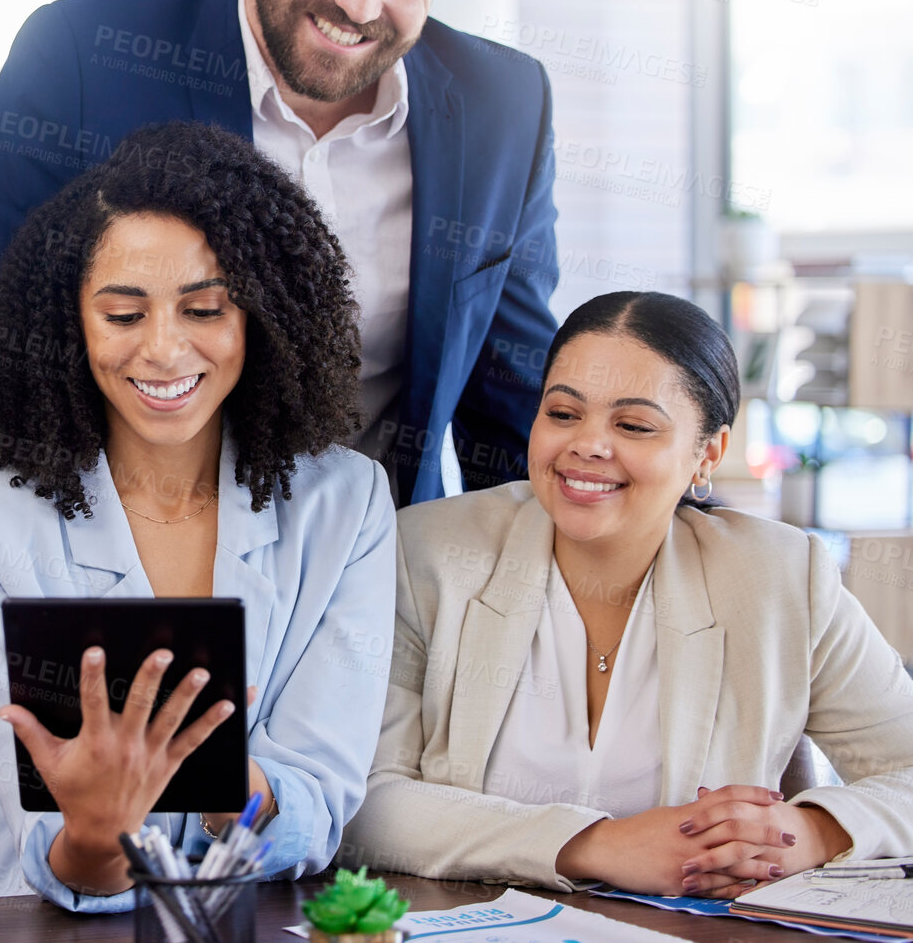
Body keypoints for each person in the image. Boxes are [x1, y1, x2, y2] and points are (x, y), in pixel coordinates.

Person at [0, 0, 558, 506]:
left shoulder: (503, 107)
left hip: (380, 574)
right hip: (118, 564)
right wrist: (54, 585)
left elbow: (516, 404)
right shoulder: (81, 58)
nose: (359, 2)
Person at [0, 122, 396, 910]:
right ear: (69, 322)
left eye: (204, 308)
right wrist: (101, 826)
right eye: (124, 315)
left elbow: (319, 800)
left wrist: (210, 785)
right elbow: (57, 850)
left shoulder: (348, 504)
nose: (165, 351)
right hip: (26, 923)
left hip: (247, 918)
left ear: (263, 315)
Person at [343, 291, 913, 896]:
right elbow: (363, 800)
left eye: (633, 425)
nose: (587, 444)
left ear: (708, 454)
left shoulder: (782, 577)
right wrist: (597, 844)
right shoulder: (427, 552)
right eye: (562, 414)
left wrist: (805, 832)